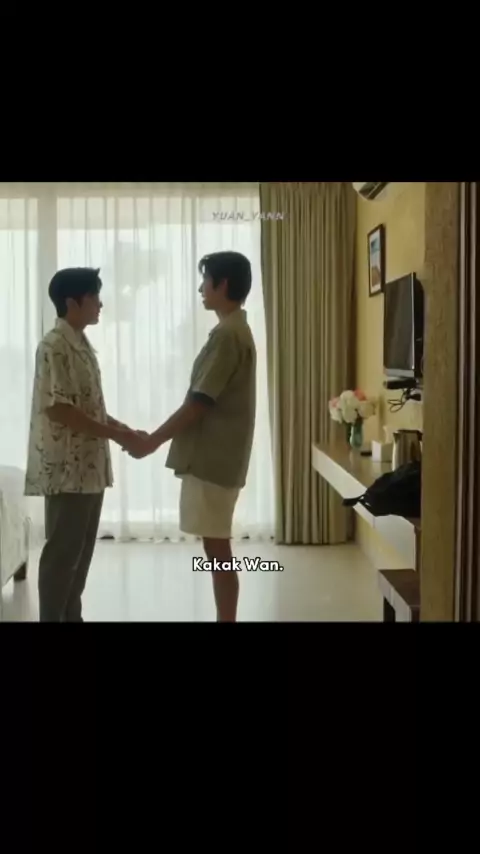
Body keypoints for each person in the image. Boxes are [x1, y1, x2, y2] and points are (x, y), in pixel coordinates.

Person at [127, 251, 257, 622]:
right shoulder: (233, 330)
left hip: (214, 458)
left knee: (218, 550)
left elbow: (199, 402)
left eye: (205, 281)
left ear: (222, 285)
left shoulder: (228, 335)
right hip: (218, 456)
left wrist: (152, 440)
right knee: (215, 548)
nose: (201, 289)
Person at [25, 267, 143, 622]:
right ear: (72, 302)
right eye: (94, 297)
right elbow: (60, 409)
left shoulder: (83, 346)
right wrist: (117, 435)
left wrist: (123, 430)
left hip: (90, 469)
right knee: (62, 556)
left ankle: (70, 617)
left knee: (80, 557)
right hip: (67, 470)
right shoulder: (53, 346)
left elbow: (91, 408)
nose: (100, 304)